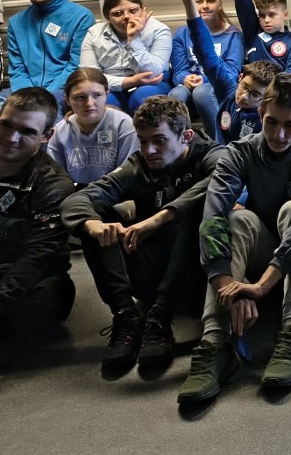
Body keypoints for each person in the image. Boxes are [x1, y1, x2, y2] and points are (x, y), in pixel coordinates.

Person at [177, 74, 291, 405]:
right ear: (261, 114)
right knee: (236, 219)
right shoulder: (239, 151)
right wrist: (229, 288)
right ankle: (215, 342)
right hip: (269, 240)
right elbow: (212, 217)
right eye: (271, 123)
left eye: (290, 125)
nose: (279, 134)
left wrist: (260, 287)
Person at [60, 96, 220, 378]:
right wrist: (91, 224)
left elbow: (223, 179)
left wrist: (160, 218)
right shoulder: (138, 165)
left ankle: (160, 318)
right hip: (150, 273)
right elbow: (79, 199)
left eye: (159, 141)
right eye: (143, 141)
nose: (149, 150)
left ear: (186, 136)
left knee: (198, 209)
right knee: (96, 215)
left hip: (195, 276)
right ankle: (126, 317)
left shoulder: (210, 155)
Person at [0, 87, 73, 393]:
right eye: (6, 125)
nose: (11, 138)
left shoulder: (53, 185)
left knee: (48, 297)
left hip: (20, 283)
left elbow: (38, 256)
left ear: (46, 136)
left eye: (27, 132)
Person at [180, 0, 282, 144]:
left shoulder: (270, 119)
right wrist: (189, 3)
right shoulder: (229, 91)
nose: (244, 96)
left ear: (267, 97)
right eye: (244, 87)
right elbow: (206, 54)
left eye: (255, 95)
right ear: (240, 78)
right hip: (224, 155)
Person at [5, 0, 94, 104]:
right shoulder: (16, 22)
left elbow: (76, 65)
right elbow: (17, 69)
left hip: (64, 93)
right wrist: (27, 98)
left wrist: (46, 97)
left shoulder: (81, 17)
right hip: (25, 96)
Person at [168, 0, 242, 142]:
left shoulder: (233, 36)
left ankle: (220, 144)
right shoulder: (181, 34)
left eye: (210, 1)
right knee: (176, 93)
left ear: (220, 4)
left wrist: (204, 79)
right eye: (199, 1)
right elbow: (178, 71)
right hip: (188, 90)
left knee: (202, 91)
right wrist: (185, 78)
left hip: (216, 91)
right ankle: (174, 144)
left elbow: (232, 72)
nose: (205, 6)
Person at [80, 0, 173, 112]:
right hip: (111, 86)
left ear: (142, 10)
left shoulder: (159, 30)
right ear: (107, 16)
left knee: (144, 97)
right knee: (102, 100)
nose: (127, 17)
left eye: (133, 10)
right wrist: (129, 81)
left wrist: (134, 39)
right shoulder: (94, 33)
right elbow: (90, 77)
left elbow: (153, 72)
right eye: (118, 13)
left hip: (151, 84)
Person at [47, 67, 138, 186]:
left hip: (116, 191)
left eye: (97, 95)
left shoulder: (124, 125)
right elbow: (57, 181)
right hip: (74, 193)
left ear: (106, 95)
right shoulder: (59, 133)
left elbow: (128, 177)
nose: (89, 103)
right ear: (67, 99)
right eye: (80, 97)